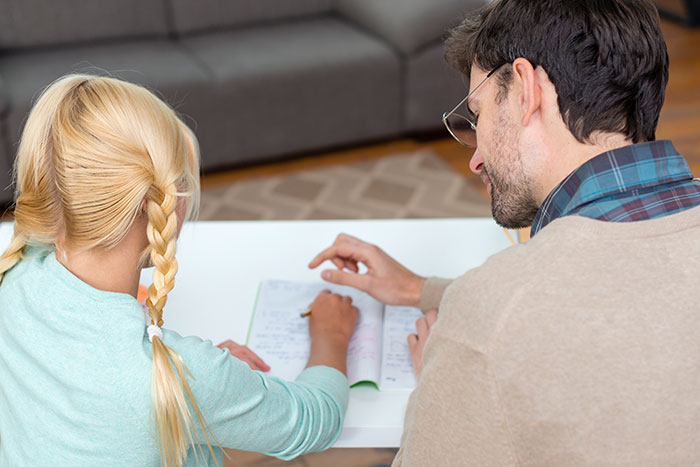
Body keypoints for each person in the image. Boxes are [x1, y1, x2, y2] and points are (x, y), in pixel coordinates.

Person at [309, 0, 700, 465]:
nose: (475, 159)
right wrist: (422, 290)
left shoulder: (492, 320)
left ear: (525, 90)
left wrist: (448, 381)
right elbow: (631, 293)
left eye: (478, 115)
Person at [0, 74, 358, 467]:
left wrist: (196, 382)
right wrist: (331, 335)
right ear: (158, 205)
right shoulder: (182, 376)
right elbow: (315, 420)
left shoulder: (15, 278)